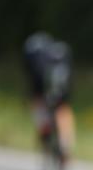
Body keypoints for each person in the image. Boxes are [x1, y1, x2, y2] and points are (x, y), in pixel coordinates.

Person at [23, 31, 76, 162]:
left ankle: (45, 132)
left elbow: (33, 84)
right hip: (62, 88)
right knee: (63, 109)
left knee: (39, 106)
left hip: (41, 87)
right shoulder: (60, 56)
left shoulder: (34, 59)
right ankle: (65, 145)